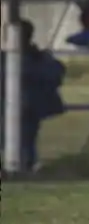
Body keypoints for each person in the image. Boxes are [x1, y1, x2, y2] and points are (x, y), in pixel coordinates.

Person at [20, 20, 66, 170]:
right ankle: (27, 163)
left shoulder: (33, 59)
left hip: (26, 105)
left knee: (24, 136)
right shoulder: (39, 58)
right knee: (26, 138)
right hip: (30, 106)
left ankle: (26, 163)